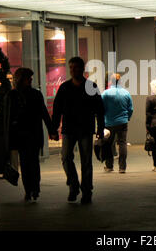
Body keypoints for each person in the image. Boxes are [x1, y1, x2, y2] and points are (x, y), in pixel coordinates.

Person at [52, 57, 105, 204]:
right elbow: (57, 110)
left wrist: (100, 128)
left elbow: (100, 110)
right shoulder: (64, 88)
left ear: (82, 69)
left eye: (75, 67)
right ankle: (74, 185)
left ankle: (86, 191)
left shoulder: (91, 87)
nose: (73, 70)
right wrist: (54, 129)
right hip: (69, 129)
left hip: (86, 129)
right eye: (71, 67)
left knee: (86, 161)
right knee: (65, 157)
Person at [4, 68, 55, 201]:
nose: (31, 80)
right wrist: (51, 130)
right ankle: (31, 189)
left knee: (29, 163)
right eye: (29, 78)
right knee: (29, 163)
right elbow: (43, 113)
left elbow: (43, 113)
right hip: (27, 134)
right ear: (22, 79)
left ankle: (32, 189)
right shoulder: (21, 95)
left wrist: (51, 130)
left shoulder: (15, 95)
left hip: (28, 135)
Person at [101, 73, 133, 173]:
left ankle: (109, 166)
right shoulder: (126, 93)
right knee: (122, 143)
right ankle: (122, 167)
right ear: (121, 81)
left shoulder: (105, 93)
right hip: (122, 122)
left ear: (111, 81)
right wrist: (127, 118)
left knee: (109, 144)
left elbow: (101, 109)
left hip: (109, 123)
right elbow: (130, 109)